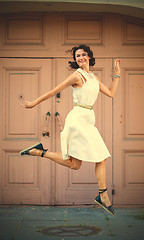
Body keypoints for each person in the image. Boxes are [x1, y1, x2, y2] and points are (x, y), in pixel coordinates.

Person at [20, 45, 121, 216]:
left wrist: (116, 73)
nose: (80, 57)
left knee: (75, 164)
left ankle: (38, 152)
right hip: (78, 120)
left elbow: (111, 93)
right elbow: (53, 91)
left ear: (89, 56)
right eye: (77, 56)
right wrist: (33, 103)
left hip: (88, 119)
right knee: (101, 156)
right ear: (75, 60)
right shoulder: (76, 75)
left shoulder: (93, 77)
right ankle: (103, 195)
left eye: (82, 54)